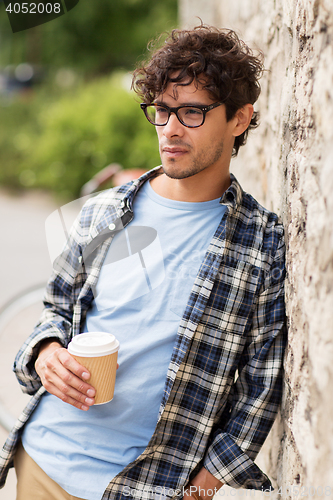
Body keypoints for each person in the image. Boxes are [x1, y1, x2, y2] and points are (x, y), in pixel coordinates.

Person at [0, 24, 286, 500]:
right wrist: (46, 353)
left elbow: (262, 383)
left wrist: (204, 485)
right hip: (45, 464)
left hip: (145, 486)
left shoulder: (261, 242)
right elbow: (56, 308)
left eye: (192, 111)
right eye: (162, 111)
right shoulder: (104, 211)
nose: (170, 129)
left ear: (239, 119)